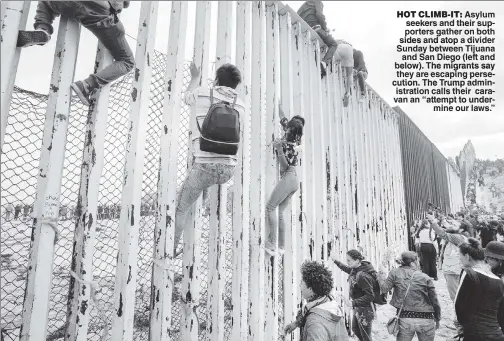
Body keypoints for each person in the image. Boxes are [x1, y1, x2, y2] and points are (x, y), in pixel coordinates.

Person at [173, 62, 244, 256]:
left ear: (218, 80)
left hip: (205, 165)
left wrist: (195, 77)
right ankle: (201, 204)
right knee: (203, 184)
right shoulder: (240, 104)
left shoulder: (204, 93)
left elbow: (186, 98)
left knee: (181, 208)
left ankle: (169, 250)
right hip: (228, 169)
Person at [17, 1, 135, 106]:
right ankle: (87, 85)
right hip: (98, 9)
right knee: (127, 61)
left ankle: (43, 28)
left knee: (45, 2)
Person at [264, 105, 304, 255]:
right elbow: (283, 115)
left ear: (292, 131)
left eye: (288, 129)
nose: (286, 129)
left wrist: (280, 149)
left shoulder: (291, 145)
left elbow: (285, 165)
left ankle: (272, 243)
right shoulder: (296, 138)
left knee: (270, 207)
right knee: (279, 213)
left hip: (289, 175)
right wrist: (277, 100)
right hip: (294, 179)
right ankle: (281, 247)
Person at [377, 251, 441, 341]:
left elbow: (384, 289)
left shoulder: (395, 273)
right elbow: (434, 300)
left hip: (405, 318)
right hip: (426, 319)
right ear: (412, 263)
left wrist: (381, 274)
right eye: (417, 261)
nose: (418, 263)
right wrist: (437, 318)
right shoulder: (425, 277)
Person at [284, 261, 349, 341]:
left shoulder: (314, 323)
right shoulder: (329, 302)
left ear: (311, 289)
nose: (299, 286)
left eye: (302, 283)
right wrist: (296, 323)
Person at [426, 212, 467, 337]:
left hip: (453, 271)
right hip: (453, 270)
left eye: (454, 223)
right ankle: (461, 323)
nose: (450, 223)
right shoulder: (458, 236)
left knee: (456, 299)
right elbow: (445, 228)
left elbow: (442, 232)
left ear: (461, 228)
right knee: (457, 298)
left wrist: (433, 221)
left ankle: (462, 325)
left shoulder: (457, 237)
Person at [456, 238, 504, 341]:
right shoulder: (496, 278)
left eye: (489, 259)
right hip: (492, 331)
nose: (487, 261)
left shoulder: (471, 273)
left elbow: (459, 306)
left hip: (482, 331)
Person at [333, 250, 376, 341]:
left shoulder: (362, 276)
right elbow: (347, 269)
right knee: (355, 329)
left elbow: (370, 296)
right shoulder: (355, 269)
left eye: (349, 260)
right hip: (358, 307)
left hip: (365, 310)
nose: (347, 262)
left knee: (366, 336)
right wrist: (336, 261)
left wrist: (353, 303)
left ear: (357, 261)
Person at [297, 1, 338, 67]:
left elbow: (297, 15)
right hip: (316, 28)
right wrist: (325, 28)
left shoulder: (304, 5)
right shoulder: (318, 2)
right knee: (333, 44)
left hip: (304, 29)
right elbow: (319, 15)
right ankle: (324, 63)